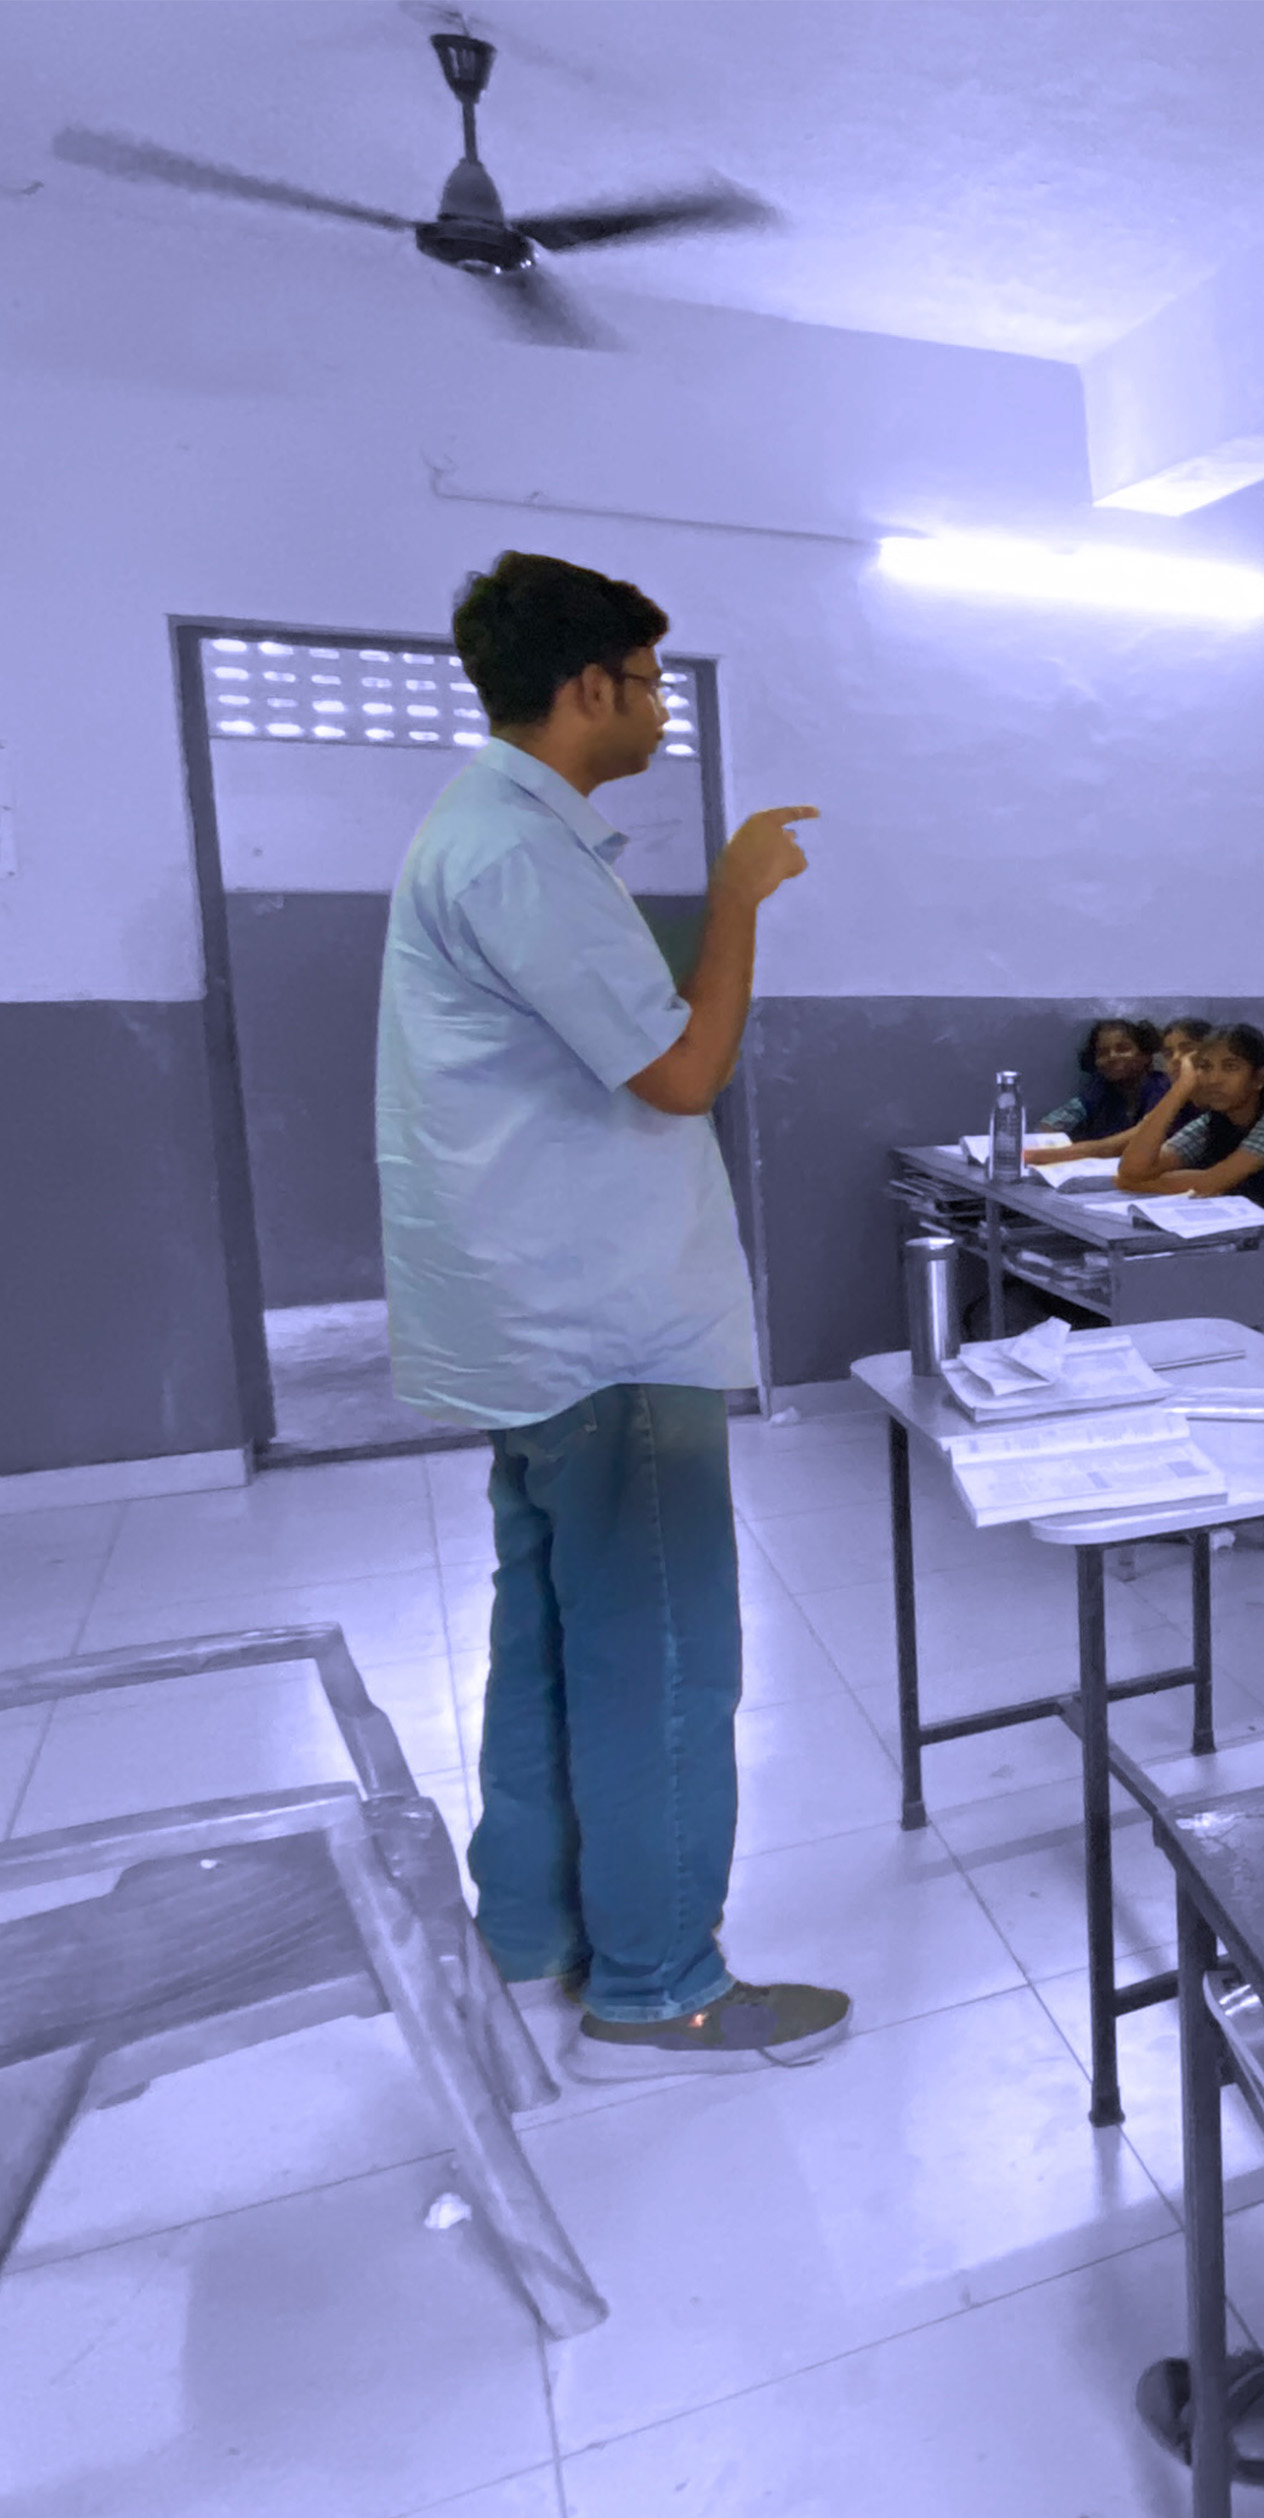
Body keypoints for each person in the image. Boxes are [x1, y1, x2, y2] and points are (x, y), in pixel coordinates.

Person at [378, 547, 845, 2070]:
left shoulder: (492, 833)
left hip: (540, 1330)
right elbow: (682, 1071)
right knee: (655, 1660)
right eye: (645, 683)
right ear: (588, 688)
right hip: (608, 1337)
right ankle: (659, 1979)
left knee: (555, 1641)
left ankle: (531, 1930)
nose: (656, 709)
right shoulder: (516, 852)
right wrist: (738, 896)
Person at [1116, 1021, 1264, 1342]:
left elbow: (1211, 1182)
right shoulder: (1215, 1120)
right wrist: (1179, 1090)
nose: (1213, 1079)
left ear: (1259, 1078)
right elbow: (1132, 1169)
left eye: (1230, 1067)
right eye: (1204, 1068)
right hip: (1259, 1242)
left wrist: (1143, 1182)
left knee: (1214, 1304)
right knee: (1157, 1290)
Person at [1027, 1014, 1165, 1155]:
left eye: (1123, 1049)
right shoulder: (1099, 1088)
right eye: (1102, 1053)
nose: (1112, 1057)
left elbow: (1143, 1142)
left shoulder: (1162, 1090)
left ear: (1145, 1055)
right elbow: (1050, 1124)